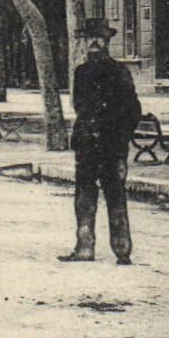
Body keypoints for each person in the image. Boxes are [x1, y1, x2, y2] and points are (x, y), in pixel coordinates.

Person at [60, 17, 142, 265]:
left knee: (116, 196)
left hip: (112, 147)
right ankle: (84, 247)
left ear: (107, 42)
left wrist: (119, 138)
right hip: (86, 146)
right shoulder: (81, 73)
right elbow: (79, 107)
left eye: (100, 38)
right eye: (90, 38)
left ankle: (122, 249)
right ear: (84, 42)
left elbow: (133, 110)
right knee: (84, 196)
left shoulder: (120, 72)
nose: (94, 43)